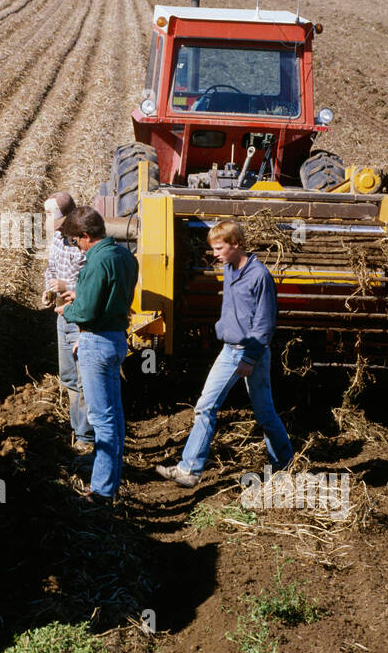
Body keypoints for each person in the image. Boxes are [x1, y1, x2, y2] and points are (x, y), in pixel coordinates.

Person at [156, 219, 293, 488]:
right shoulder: (229, 268)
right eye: (213, 249)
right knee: (206, 406)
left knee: (263, 414)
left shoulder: (259, 276)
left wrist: (250, 358)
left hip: (250, 353)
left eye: (219, 248)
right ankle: (190, 470)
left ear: (237, 244)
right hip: (229, 350)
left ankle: (284, 466)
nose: (214, 254)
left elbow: (265, 323)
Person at [59, 206, 139, 503]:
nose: (75, 247)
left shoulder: (96, 262)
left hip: (97, 342)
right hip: (118, 338)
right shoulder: (124, 257)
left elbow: (88, 312)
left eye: (74, 241)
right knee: (114, 417)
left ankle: (102, 492)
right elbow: (111, 297)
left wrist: (67, 309)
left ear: (85, 236)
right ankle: (111, 482)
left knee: (101, 419)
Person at [42, 191, 94, 453]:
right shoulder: (58, 239)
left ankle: (86, 437)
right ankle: (77, 428)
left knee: (85, 378)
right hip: (62, 314)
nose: (46, 221)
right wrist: (49, 289)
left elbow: (94, 282)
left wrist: (67, 285)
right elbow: (51, 268)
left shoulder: (82, 242)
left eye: (50, 215)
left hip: (80, 317)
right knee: (69, 377)